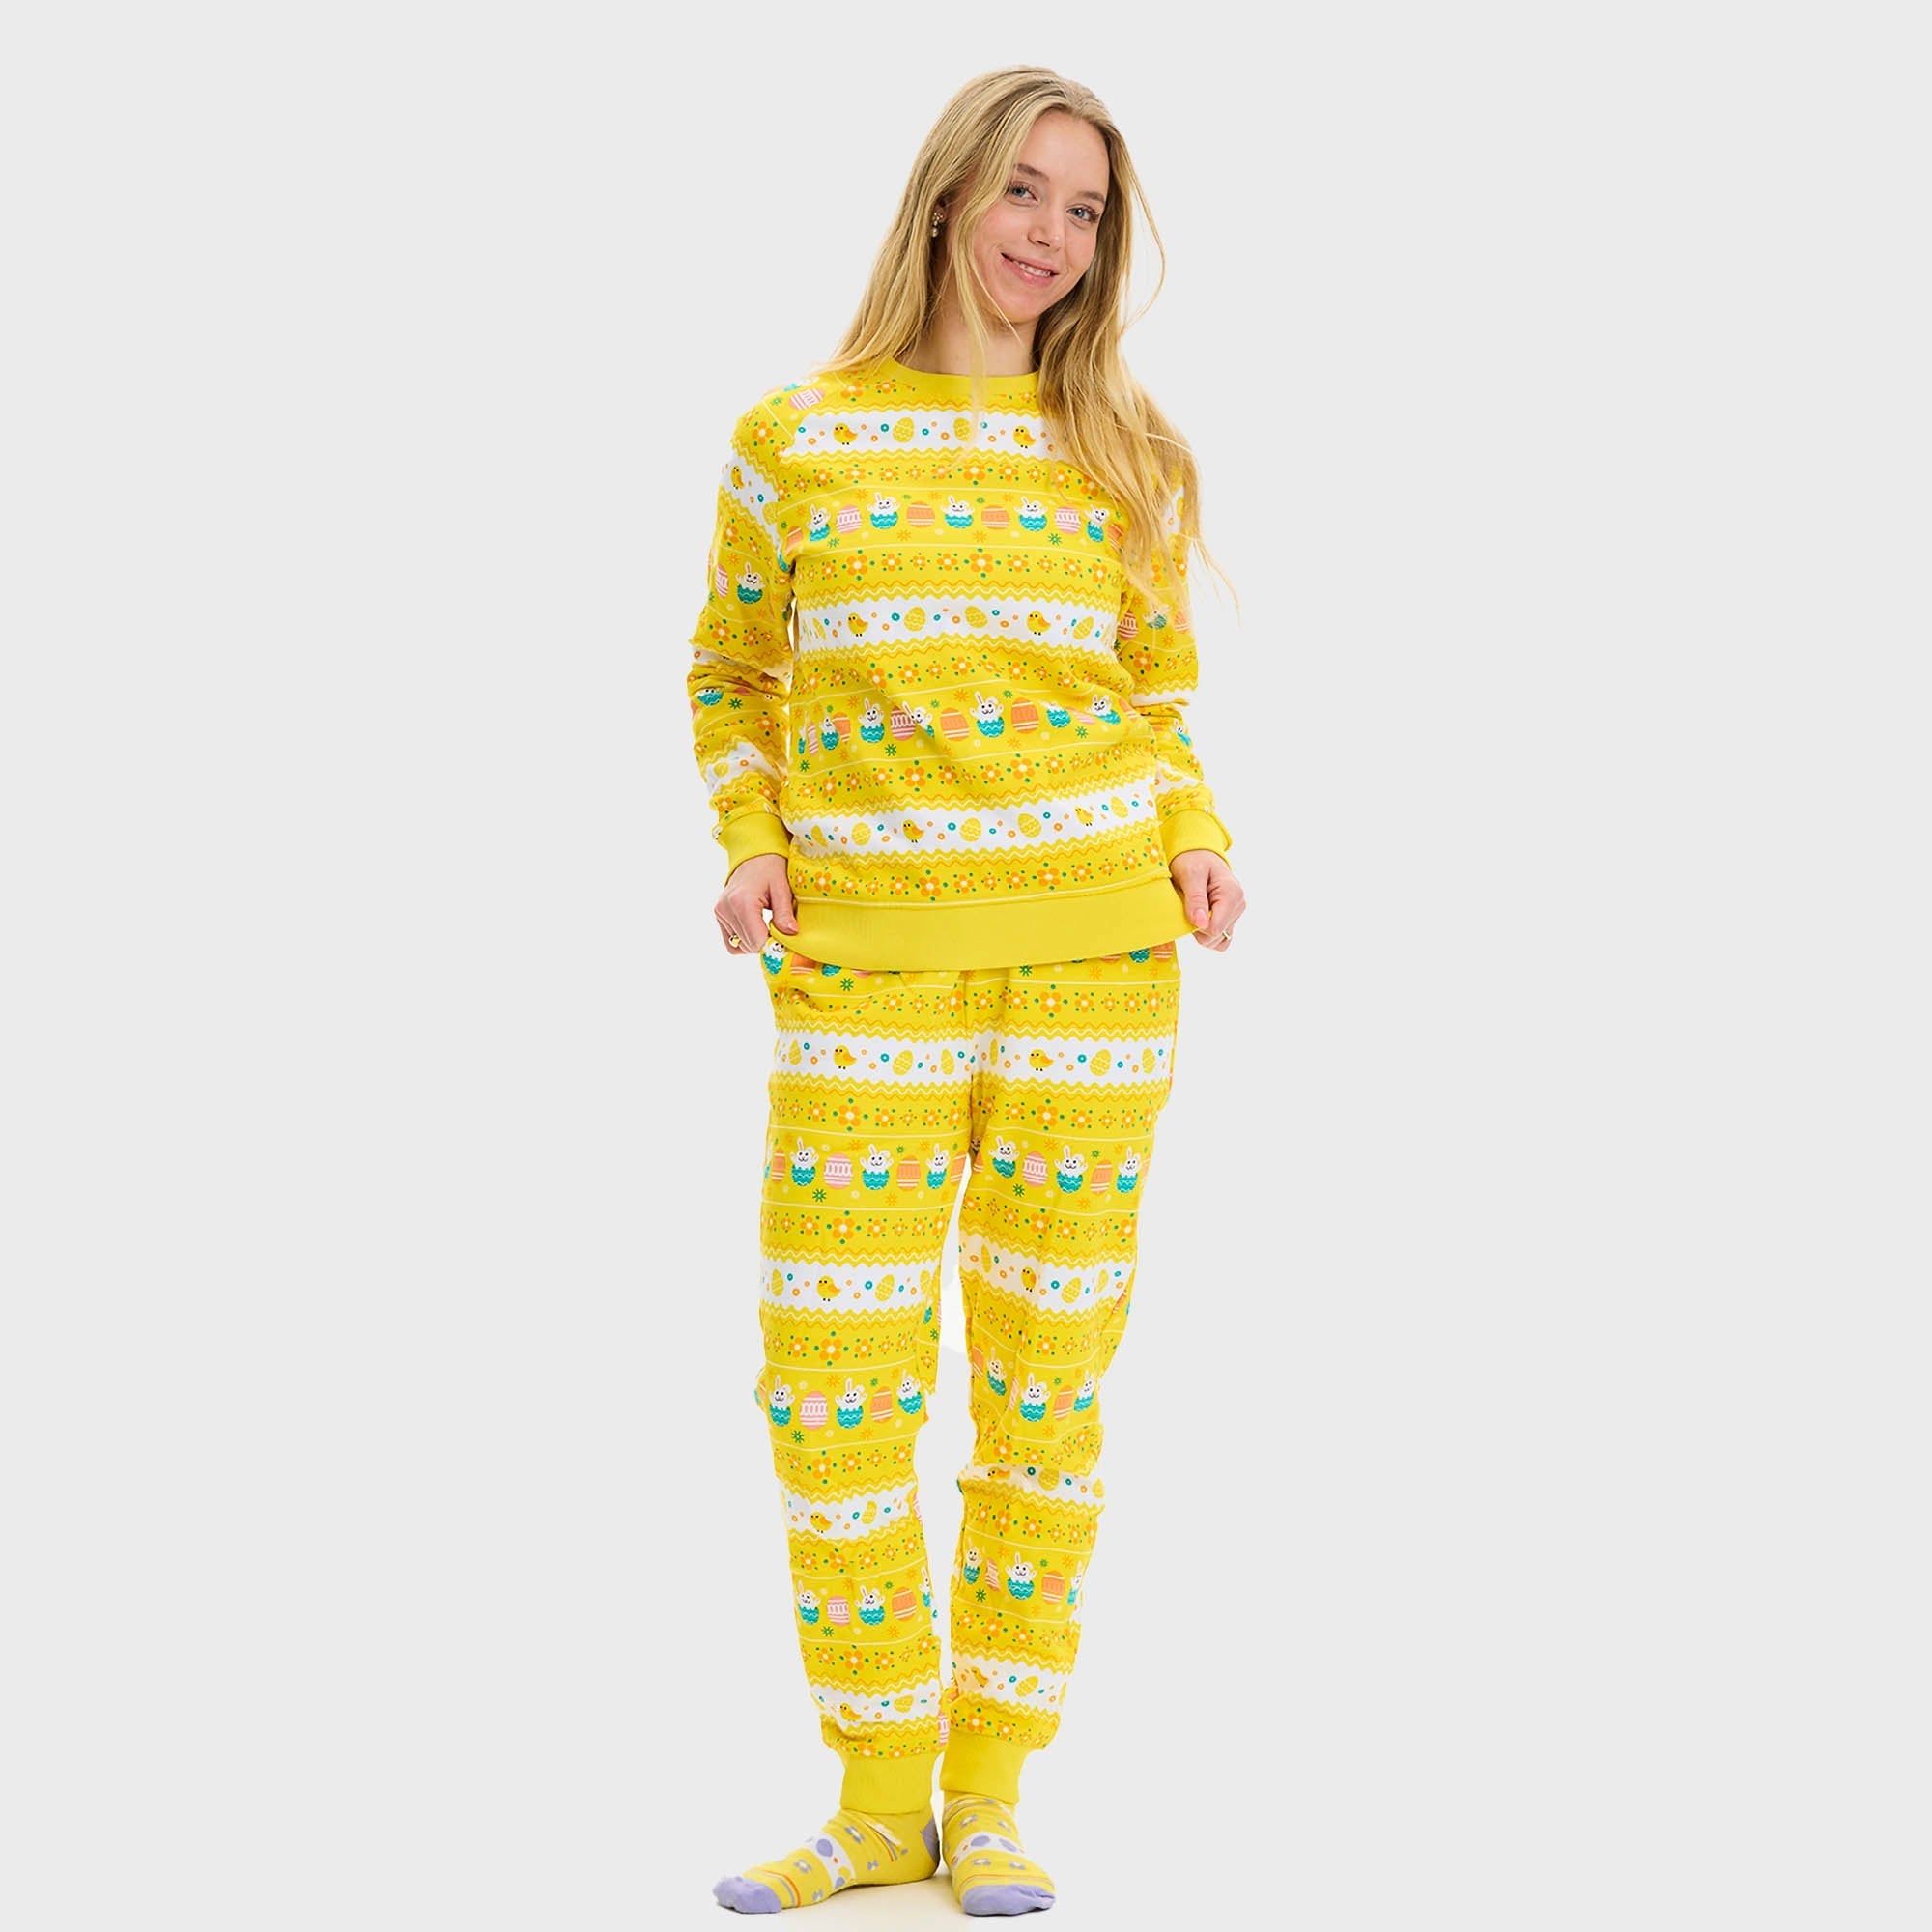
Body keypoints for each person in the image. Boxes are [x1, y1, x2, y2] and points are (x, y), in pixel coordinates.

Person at [687, 65, 1247, 1916]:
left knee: (1043, 1386)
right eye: (1024, 191)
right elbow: (732, 670)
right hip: (862, 968)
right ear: (947, 194)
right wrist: (749, 832)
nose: (1050, 237)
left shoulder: (1126, 451)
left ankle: (990, 1792)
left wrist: (1195, 832)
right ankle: (876, 1801)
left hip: (1099, 959)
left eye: (1085, 211)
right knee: (830, 1384)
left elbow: (1154, 694)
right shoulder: (796, 438)